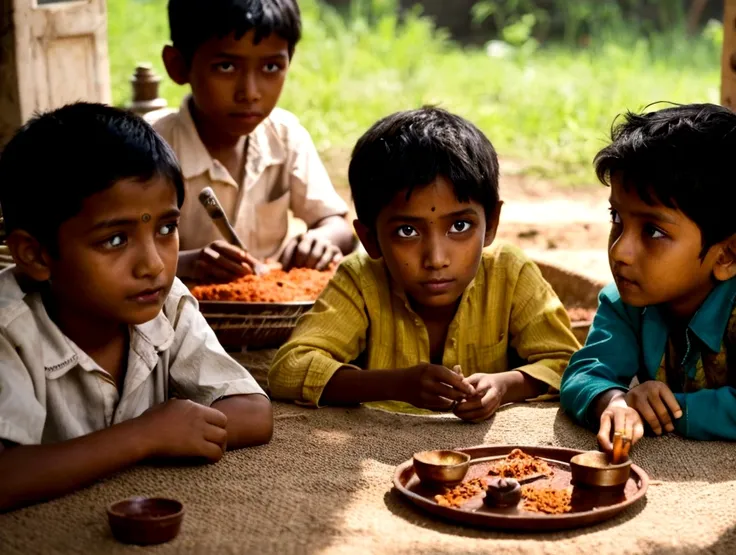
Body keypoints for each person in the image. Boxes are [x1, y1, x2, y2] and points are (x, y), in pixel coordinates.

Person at [0, 103, 272, 512]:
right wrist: (145, 436)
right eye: (115, 240)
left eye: (166, 229)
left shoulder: (167, 305)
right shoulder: (10, 329)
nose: (154, 265)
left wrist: (170, 431)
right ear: (36, 256)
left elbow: (253, 412)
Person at [268, 107, 580, 418]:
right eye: (407, 231)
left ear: (492, 223)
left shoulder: (510, 274)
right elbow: (289, 368)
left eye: (459, 226)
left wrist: (507, 385)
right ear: (370, 239)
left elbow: (567, 363)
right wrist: (394, 385)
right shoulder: (361, 280)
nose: (436, 259)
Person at [560, 103, 736, 453]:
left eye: (653, 232)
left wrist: (671, 409)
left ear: (727, 255)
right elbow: (584, 373)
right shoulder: (625, 302)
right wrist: (613, 402)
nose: (620, 251)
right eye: (617, 218)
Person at [152, 0, 354, 282]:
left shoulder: (284, 136)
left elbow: (338, 225)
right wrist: (184, 264)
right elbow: (120, 251)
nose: (250, 92)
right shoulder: (150, 152)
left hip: (269, 312)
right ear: (178, 66)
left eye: (271, 67)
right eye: (225, 66)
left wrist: (321, 239)